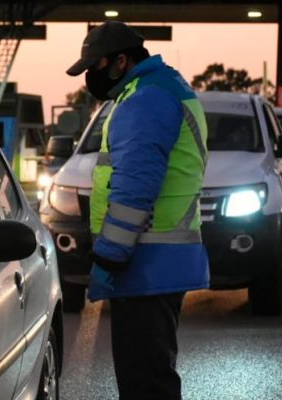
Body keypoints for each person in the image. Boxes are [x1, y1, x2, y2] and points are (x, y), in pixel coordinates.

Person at [66, 21, 209, 399]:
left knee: (144, 382)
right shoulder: (163, 88)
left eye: (94, 68)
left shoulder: (146, 98)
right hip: (158, 258)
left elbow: (135, 186)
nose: (90, 79)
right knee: (152, 373)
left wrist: (110, 254)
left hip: (146, 261)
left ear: (120, 61)